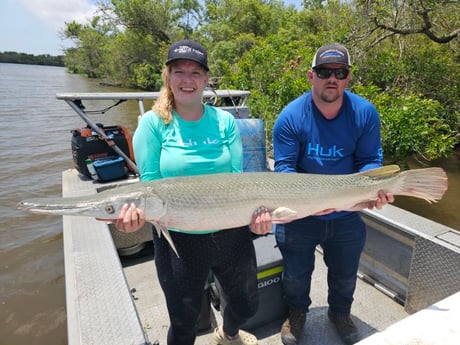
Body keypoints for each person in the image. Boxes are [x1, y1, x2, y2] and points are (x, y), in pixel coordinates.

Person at [112, 39, 272, 345]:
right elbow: (150, 188)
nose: (188, 80)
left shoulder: (225, 121)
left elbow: (236, 183)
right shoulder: (152, 124)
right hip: (178, 240)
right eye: (180, 71)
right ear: (168, 77)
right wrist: (135, 218)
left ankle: (228, 334)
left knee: (247, 305)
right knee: (184, 322)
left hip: (230, 233)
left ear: (206, 79)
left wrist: (257, 216)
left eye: (196, 72)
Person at [272, 43, 394, 345]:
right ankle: (297, 313)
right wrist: (313, 203)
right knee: (295, 275)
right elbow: (284, 170)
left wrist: (376, 189)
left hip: (347, 213)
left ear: (348, 77)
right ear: (311, 76)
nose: (332, 78)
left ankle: (340, 313)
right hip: (299, 214)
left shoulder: (364, 113)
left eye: (339, 72)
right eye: (325, 72)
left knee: (345, 274)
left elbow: (370, 162)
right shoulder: (290, 117)